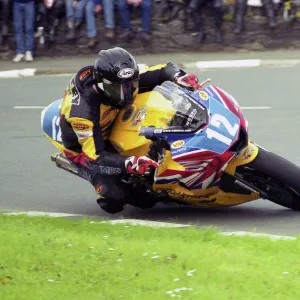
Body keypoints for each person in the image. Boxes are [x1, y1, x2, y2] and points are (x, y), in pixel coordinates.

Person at [59, 47, 201, 214]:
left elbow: (164, 69)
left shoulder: (123, 75)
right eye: (116, 90)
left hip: (115, 119)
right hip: (90, 148)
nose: (124, 95)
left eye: (129, 86)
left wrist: (180, 76)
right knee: (116, 199)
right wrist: (128, 163)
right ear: (101, 85)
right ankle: (100, 183)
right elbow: (95, 157)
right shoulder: (83, 113)